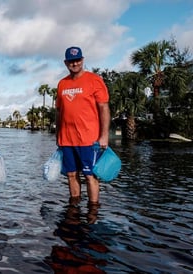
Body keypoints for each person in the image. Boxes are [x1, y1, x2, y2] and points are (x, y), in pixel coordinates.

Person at [55, 46, 110, 206]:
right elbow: (59, 112)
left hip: (89, 139)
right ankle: (74, 209)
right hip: (67, 139)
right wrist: (58, 134)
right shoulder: (62, 84)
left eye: (78, 60)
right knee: (71, 175)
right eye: (71, 61)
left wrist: (104, 135)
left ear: (83, 60)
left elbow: (104, 108)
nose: (75, 63)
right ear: (66, 63)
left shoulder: (94, 80)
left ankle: (93, 212)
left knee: (90, 175)